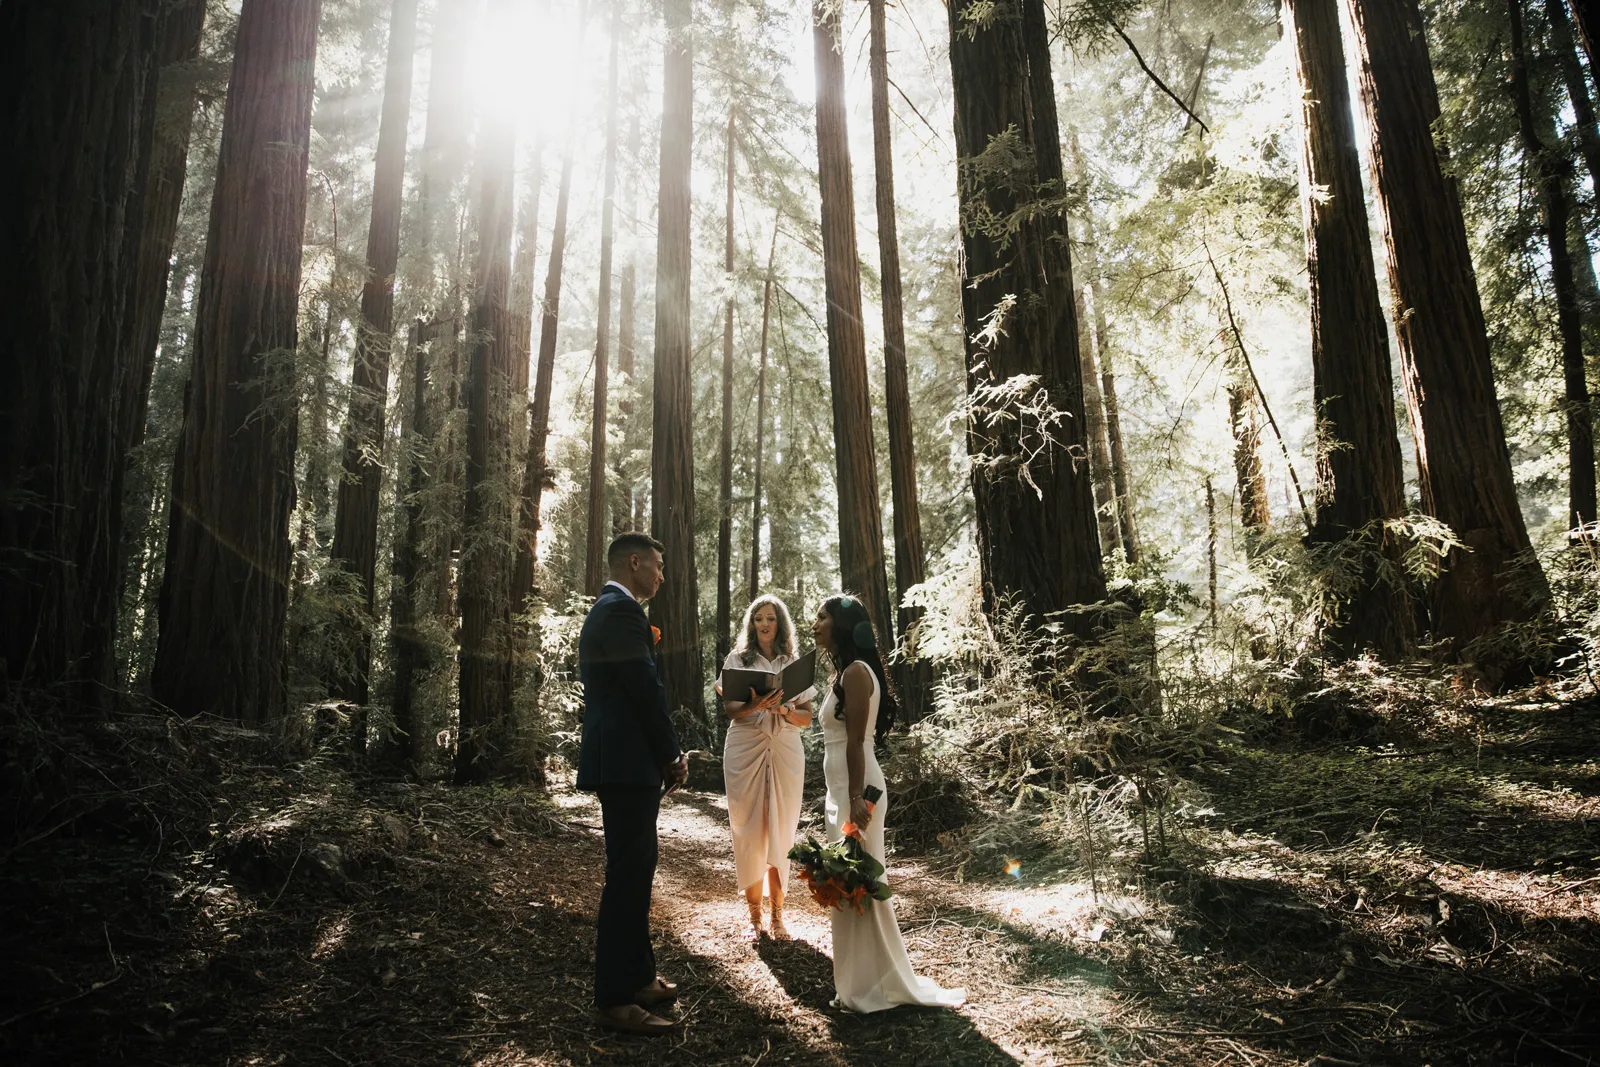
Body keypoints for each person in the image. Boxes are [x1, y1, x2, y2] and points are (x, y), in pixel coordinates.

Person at [811, 594, 965, 1013]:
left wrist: (857, 797)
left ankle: (870, 988)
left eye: (822, 617)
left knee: (858, 883)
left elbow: (859, 742)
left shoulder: (858, 673)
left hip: (855, 792)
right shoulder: (845, 672)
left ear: (842, 625)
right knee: (845, 884)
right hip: (839, 791)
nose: (815, 623)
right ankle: (857, 984)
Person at [576, 532, 689, 1035]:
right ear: (635, 562)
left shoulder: (613, 611)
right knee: (627, 876)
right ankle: (615, 1000)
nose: (662, 576)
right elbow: (645, 689)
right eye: (658, 566)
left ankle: (639, 978)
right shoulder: (619, 613)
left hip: (625, 761)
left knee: (639, 867)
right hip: (626, 761)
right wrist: (670, 754)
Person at [718, 595, 813, 940]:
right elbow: (731, 709)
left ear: (780, 623)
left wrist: (783, 710)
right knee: (749, 829)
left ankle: (778, 916)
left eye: (770, 618)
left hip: (785, 747)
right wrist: (755, 704)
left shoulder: (793, 662)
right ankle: (754, 915)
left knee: (781, 827)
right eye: (758, 618)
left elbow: (807, 717)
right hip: (745, 746)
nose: (764, 624)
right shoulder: (737, 659)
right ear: (751, 624)